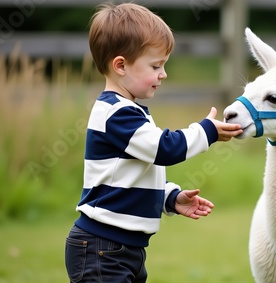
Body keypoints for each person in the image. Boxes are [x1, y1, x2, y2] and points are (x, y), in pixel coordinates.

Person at [64, 2, 243, 282]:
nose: (163, 74)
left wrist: (169, 197)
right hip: (102, 248)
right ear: (121, 65)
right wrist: (206, 131)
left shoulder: (131, 111)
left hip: (124, 249)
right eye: (156, 65)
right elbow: (164, 149)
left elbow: (136, 173)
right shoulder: (116, 114)